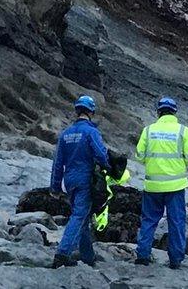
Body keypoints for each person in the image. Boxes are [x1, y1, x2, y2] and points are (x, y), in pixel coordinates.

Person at [134, 97, 188, 269]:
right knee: (176, 222)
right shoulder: (183, 131)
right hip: (175, 186)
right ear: (174, 112)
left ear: (158, 112)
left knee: (148, 220)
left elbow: (139, 156)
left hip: (153, 185)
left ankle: (143, 256)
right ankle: (175, 259)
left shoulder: (148, 131)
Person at [50, 95, 111, 268]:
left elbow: (57, 163)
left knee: (82, 217)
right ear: (91, 111)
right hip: (85, 179)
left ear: (77, 110)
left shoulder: (65, 134)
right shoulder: (91, 132)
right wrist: (109, 167)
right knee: (79, 216)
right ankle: (62, 253)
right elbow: (100, 154)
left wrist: (55, 186)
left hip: (70, 181)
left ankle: (88, 256)